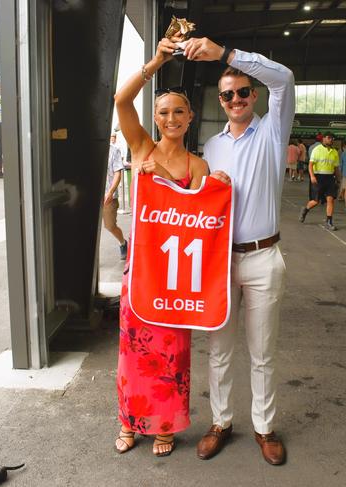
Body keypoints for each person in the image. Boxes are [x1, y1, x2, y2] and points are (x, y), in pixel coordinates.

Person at [183, 37, 293, 465]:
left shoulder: (271, 130)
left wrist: (226, 55)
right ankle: (221, 421)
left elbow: (284, 78)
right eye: (227, 94)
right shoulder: (212, 147)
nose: (234, 99)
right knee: (220, 348)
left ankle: (264, 428)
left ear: (254, 95)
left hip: (264, 257)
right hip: (220, 260)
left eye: (242, 92)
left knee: (262, 350)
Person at [113, 36, 209, 458]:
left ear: (190, 118)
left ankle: (164, 424)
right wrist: (155, 61)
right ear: (154, 117)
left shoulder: (199, 167)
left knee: (171, 352)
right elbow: (120, 100)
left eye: (178, 112)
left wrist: (222, 186)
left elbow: (208, 225)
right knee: (133, 352)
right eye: (164, 112)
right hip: (141, 269)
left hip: (177, 279)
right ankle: (129, 421)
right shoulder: (141, 148)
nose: (171, 118)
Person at [299, 132, 340, 231]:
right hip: (319, 177)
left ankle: (329, 221)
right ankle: (305, 209)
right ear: (324, 139)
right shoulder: (317, 150)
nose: (331, 140)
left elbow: (336, 168)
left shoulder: (335, 152)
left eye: (332, 138)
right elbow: (310, 165)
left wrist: (338, 179)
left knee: (330, 199)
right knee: (315, 201)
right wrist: (312, 176)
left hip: (330, 178)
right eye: (329, 138)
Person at [102, 132, 128, 260]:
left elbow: (118, 173)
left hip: (108, 196)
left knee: (109, 225)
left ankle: (123, 243)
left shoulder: (114, 151)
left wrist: (111, 192)